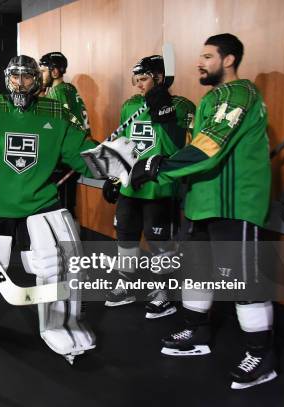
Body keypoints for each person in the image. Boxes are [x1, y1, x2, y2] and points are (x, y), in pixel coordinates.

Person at [130, 33, 276, 389]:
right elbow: (193, 145)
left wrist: (157, 166)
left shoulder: (240, 93)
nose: (200, 62)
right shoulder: (213, 97)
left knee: (244, 284)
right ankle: (196, 334)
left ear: (228, 60)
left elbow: (210, 147)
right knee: (197, 274)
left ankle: (261, 355)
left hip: (234, 203)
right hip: (202, 201)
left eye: (208, 56)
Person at [0, 55, 97, 363]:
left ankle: (62, 325)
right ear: (6, 78)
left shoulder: (55, 109)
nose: (20, 83)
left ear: (37, 80)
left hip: (40, 202)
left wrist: (117, 166)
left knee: (60, 263)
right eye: (14, 76)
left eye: (27, 77)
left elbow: (82, 150)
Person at [103, 55, 195, 319]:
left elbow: (180, 148)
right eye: (137, 80)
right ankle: (125, 285)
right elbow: (123, 143)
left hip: (161, 188)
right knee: (126, 237)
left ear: (159, 78)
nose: (139, 85)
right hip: (131, 187)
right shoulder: (131, 105)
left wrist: (163, 114)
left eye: (143, 79)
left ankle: (161, 292)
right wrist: (114, 176)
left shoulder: (182, 105)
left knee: (159, 243)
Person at [39, 52, 91, 217]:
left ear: (55, 72)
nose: (41, 75)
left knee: (61, 211)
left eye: (44, 71)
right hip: (74, 155)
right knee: (67, 208)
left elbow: (58, 128)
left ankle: (67, 243)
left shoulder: (57, 93)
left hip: (63, 159)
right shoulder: (69, 89)